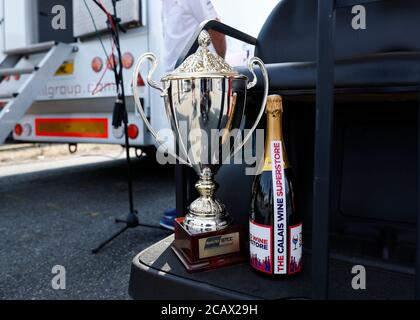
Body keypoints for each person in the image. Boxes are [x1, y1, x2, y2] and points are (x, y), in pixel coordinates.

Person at [159, 0, 227, 230]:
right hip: (175, 82)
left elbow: (215, 26)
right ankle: (188, 205)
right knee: (184, 149)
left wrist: (219, 68)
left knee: (201, 148)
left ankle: (202, 207)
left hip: (197, 82)